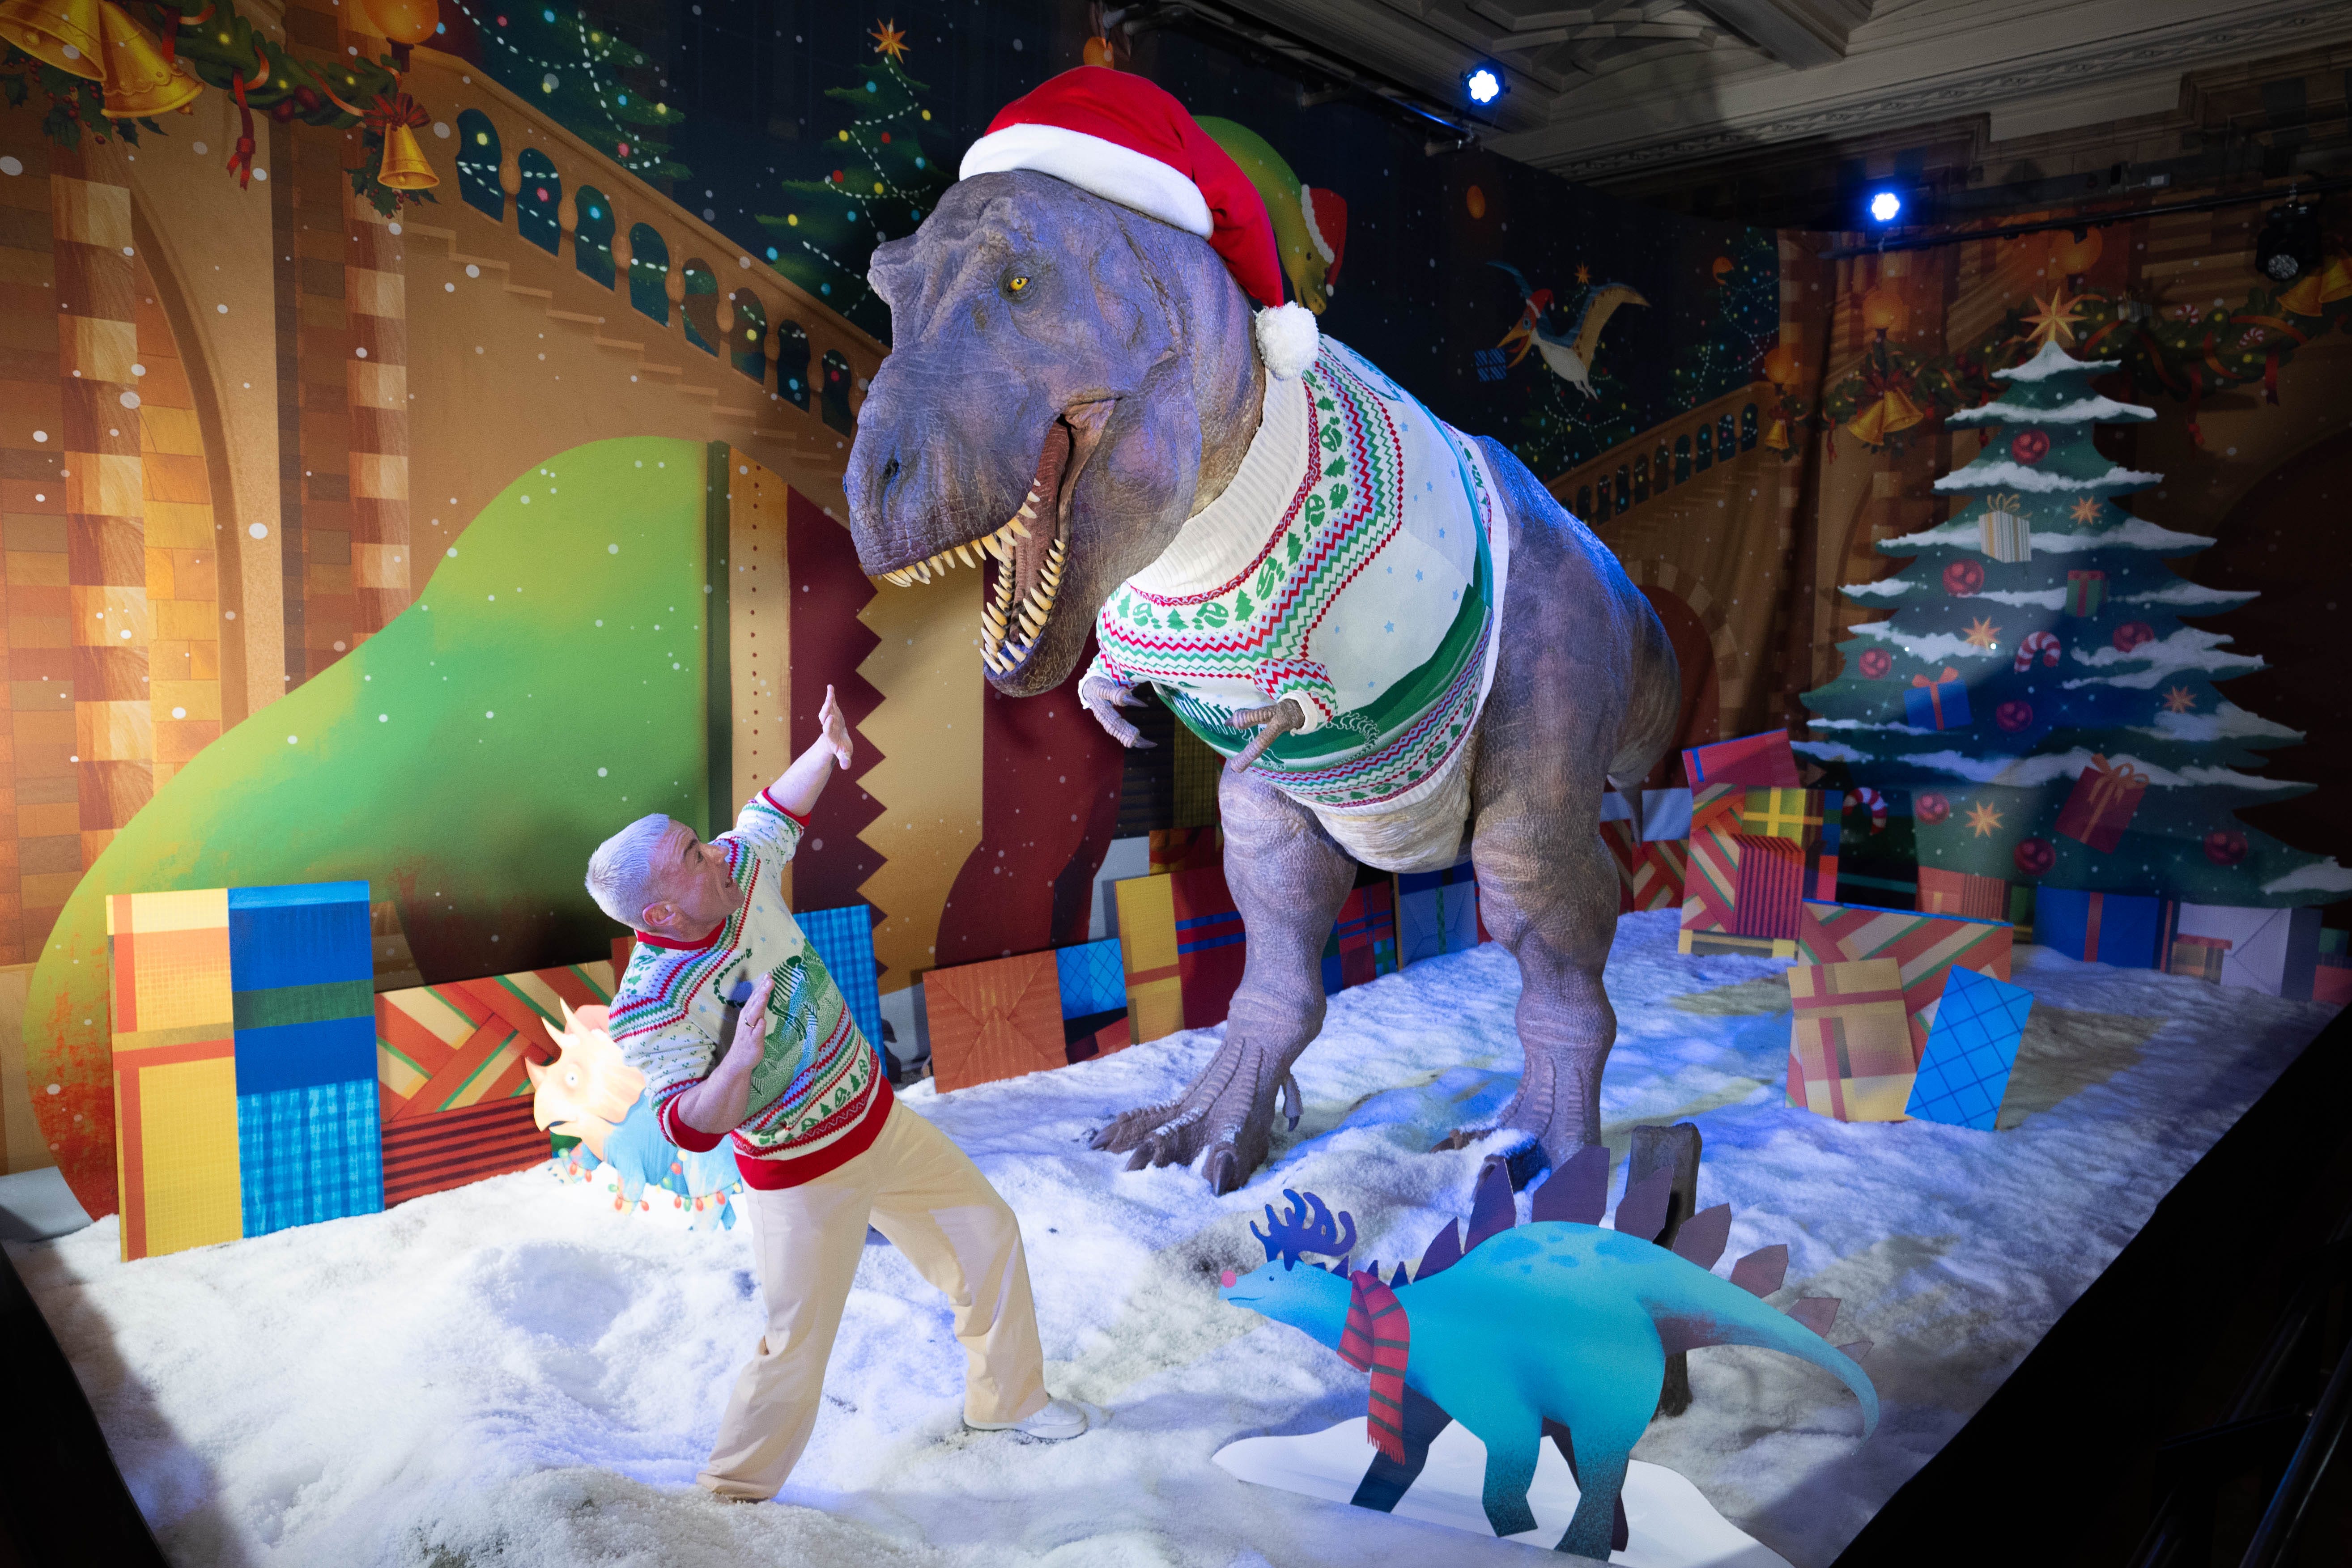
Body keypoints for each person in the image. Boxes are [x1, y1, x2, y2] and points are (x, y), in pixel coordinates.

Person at [584, 685, 1088, 1501]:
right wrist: (737, 1064)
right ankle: (729, 1495)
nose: (711, 849)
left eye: (696, 841)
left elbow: (768, 818)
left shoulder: (735, 870)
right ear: (661, 909)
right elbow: (689, 1128)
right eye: (691, 854)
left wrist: (826, 748)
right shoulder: (650, 1004)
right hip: (800, 1173)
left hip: (879, 1122)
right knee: (795, 1343)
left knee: (987, 1232)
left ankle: (1007, 1401)